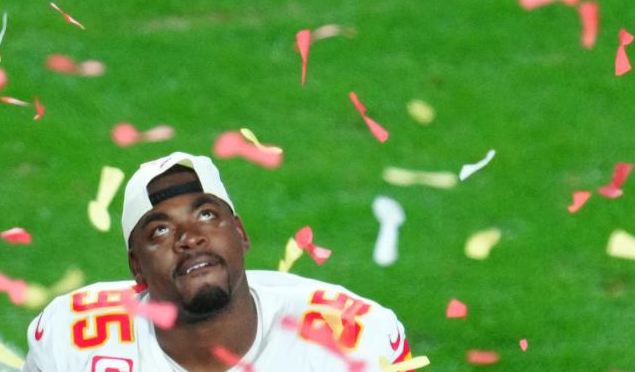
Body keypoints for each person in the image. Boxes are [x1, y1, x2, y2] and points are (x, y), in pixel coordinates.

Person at [24, 151, 414, 372]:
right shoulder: (71, 340)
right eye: (159, 230)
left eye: (207, 215)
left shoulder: (352, 341)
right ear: (136, 268)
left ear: (241, 234)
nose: (188, 238)